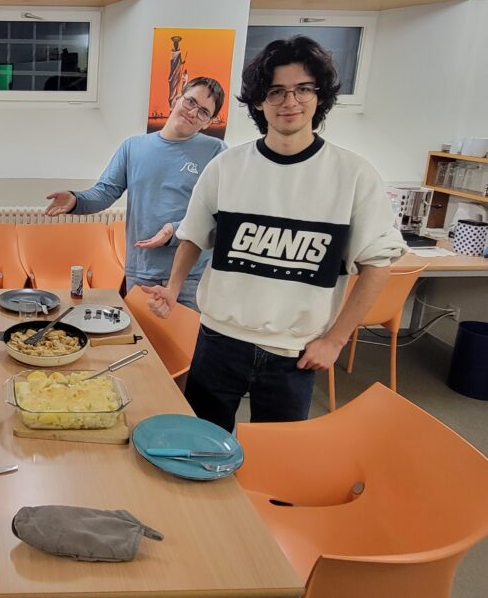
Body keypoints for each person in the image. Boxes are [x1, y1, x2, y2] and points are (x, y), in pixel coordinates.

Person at [144, 36, 406, 433]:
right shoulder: (226, 167)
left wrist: (336, 340)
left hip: (295, 351)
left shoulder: (354, 175)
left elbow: (377, 265)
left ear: (320, 96)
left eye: (303, 89)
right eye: (276, 91)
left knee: (278, 454)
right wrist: (173, 285)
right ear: (258, 101)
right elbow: (193, 236)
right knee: (198, 445)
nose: (290, 101)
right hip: (218, 339)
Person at [44, 77, 227, 310]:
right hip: (141, 272)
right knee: (140, 335)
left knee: (186, 336)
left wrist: (173, 231)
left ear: (208, 122)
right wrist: (76, 200)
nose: (192, 112)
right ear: (176, 99)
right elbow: (104, 193)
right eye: (190, 101)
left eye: (203, 112)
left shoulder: (216, 152)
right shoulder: (133, 147)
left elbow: (215, 214)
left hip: (190, 278)